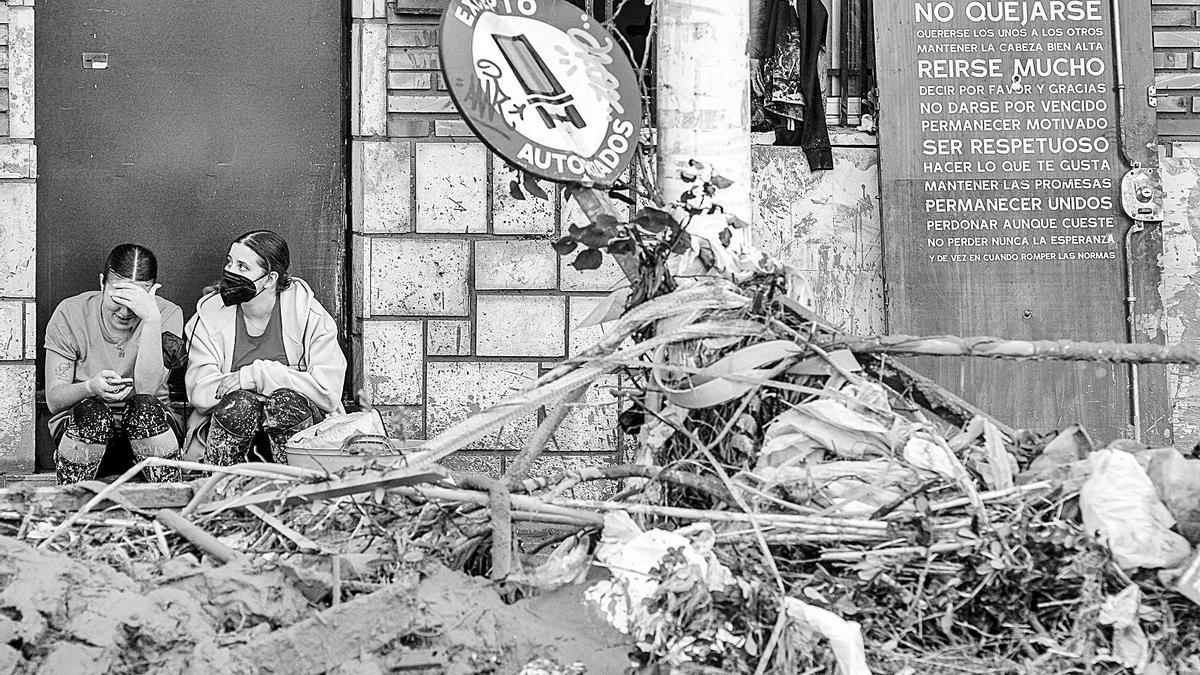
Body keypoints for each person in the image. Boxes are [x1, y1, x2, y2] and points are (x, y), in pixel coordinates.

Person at [184, 230, 346, 465]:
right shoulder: (208, 315)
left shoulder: (309, 315)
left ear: (270, 279)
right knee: (240, 405)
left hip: (300, 433)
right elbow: (201, 391)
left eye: (243, 267)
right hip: (229, 427)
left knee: (284, 401)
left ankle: (294, 489)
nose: (231, 272)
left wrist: (253, 377)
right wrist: (266, 387)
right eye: (229, 262)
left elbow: (328, 392)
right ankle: (220, 488)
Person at [44, 244, 186, 484]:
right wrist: (90, 387)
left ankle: (167, 501)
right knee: (92, 412)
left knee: (144, 409)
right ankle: (73, 507)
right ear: (102, 283)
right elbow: (54, 400)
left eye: (135, 300)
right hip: (85, 432)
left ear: (151, 292)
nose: (125, 311)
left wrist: (151, 318)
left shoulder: (166, 314)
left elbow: (147, 390)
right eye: (117, 297)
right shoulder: (70, 312)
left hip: (150, 434)